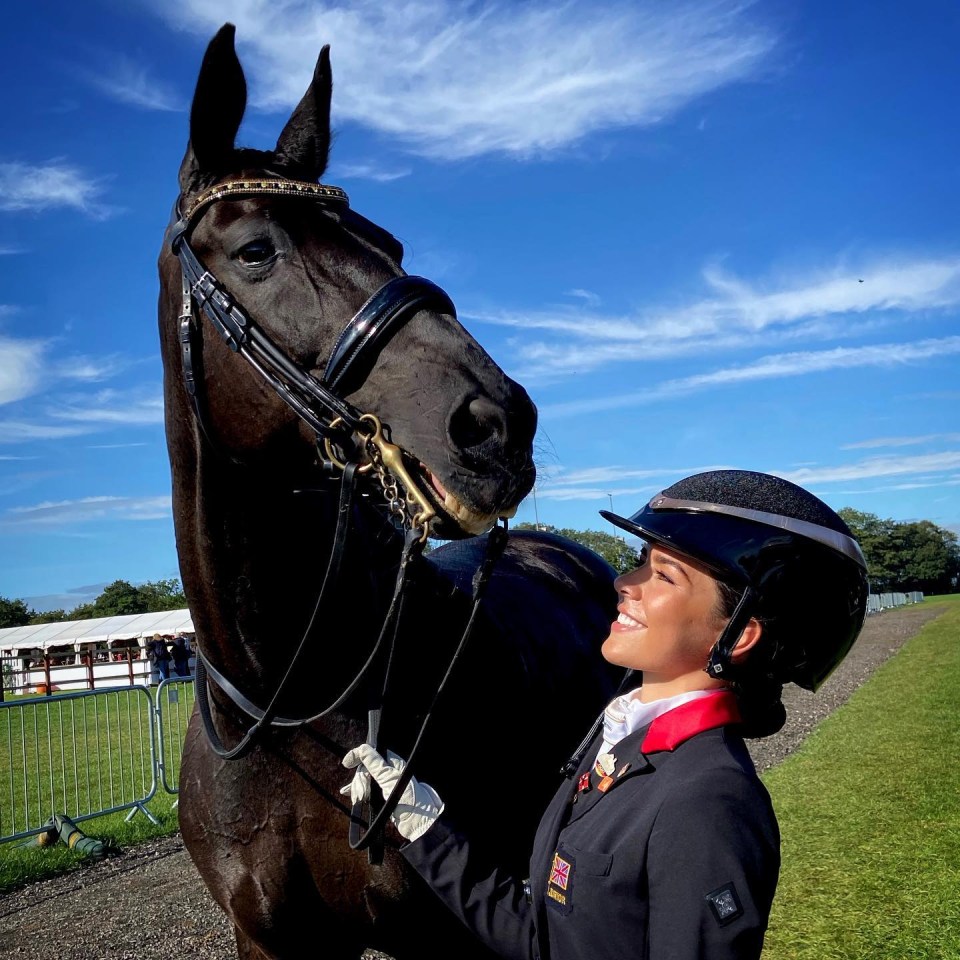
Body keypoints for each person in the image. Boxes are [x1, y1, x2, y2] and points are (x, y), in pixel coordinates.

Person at [342, 469, 869, 960]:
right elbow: (545, 938)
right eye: (641, 559)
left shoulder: (708, 805)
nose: (623, 582)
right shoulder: (615, 743)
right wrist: (426, 829)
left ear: (740, 635)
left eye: (663, 576)